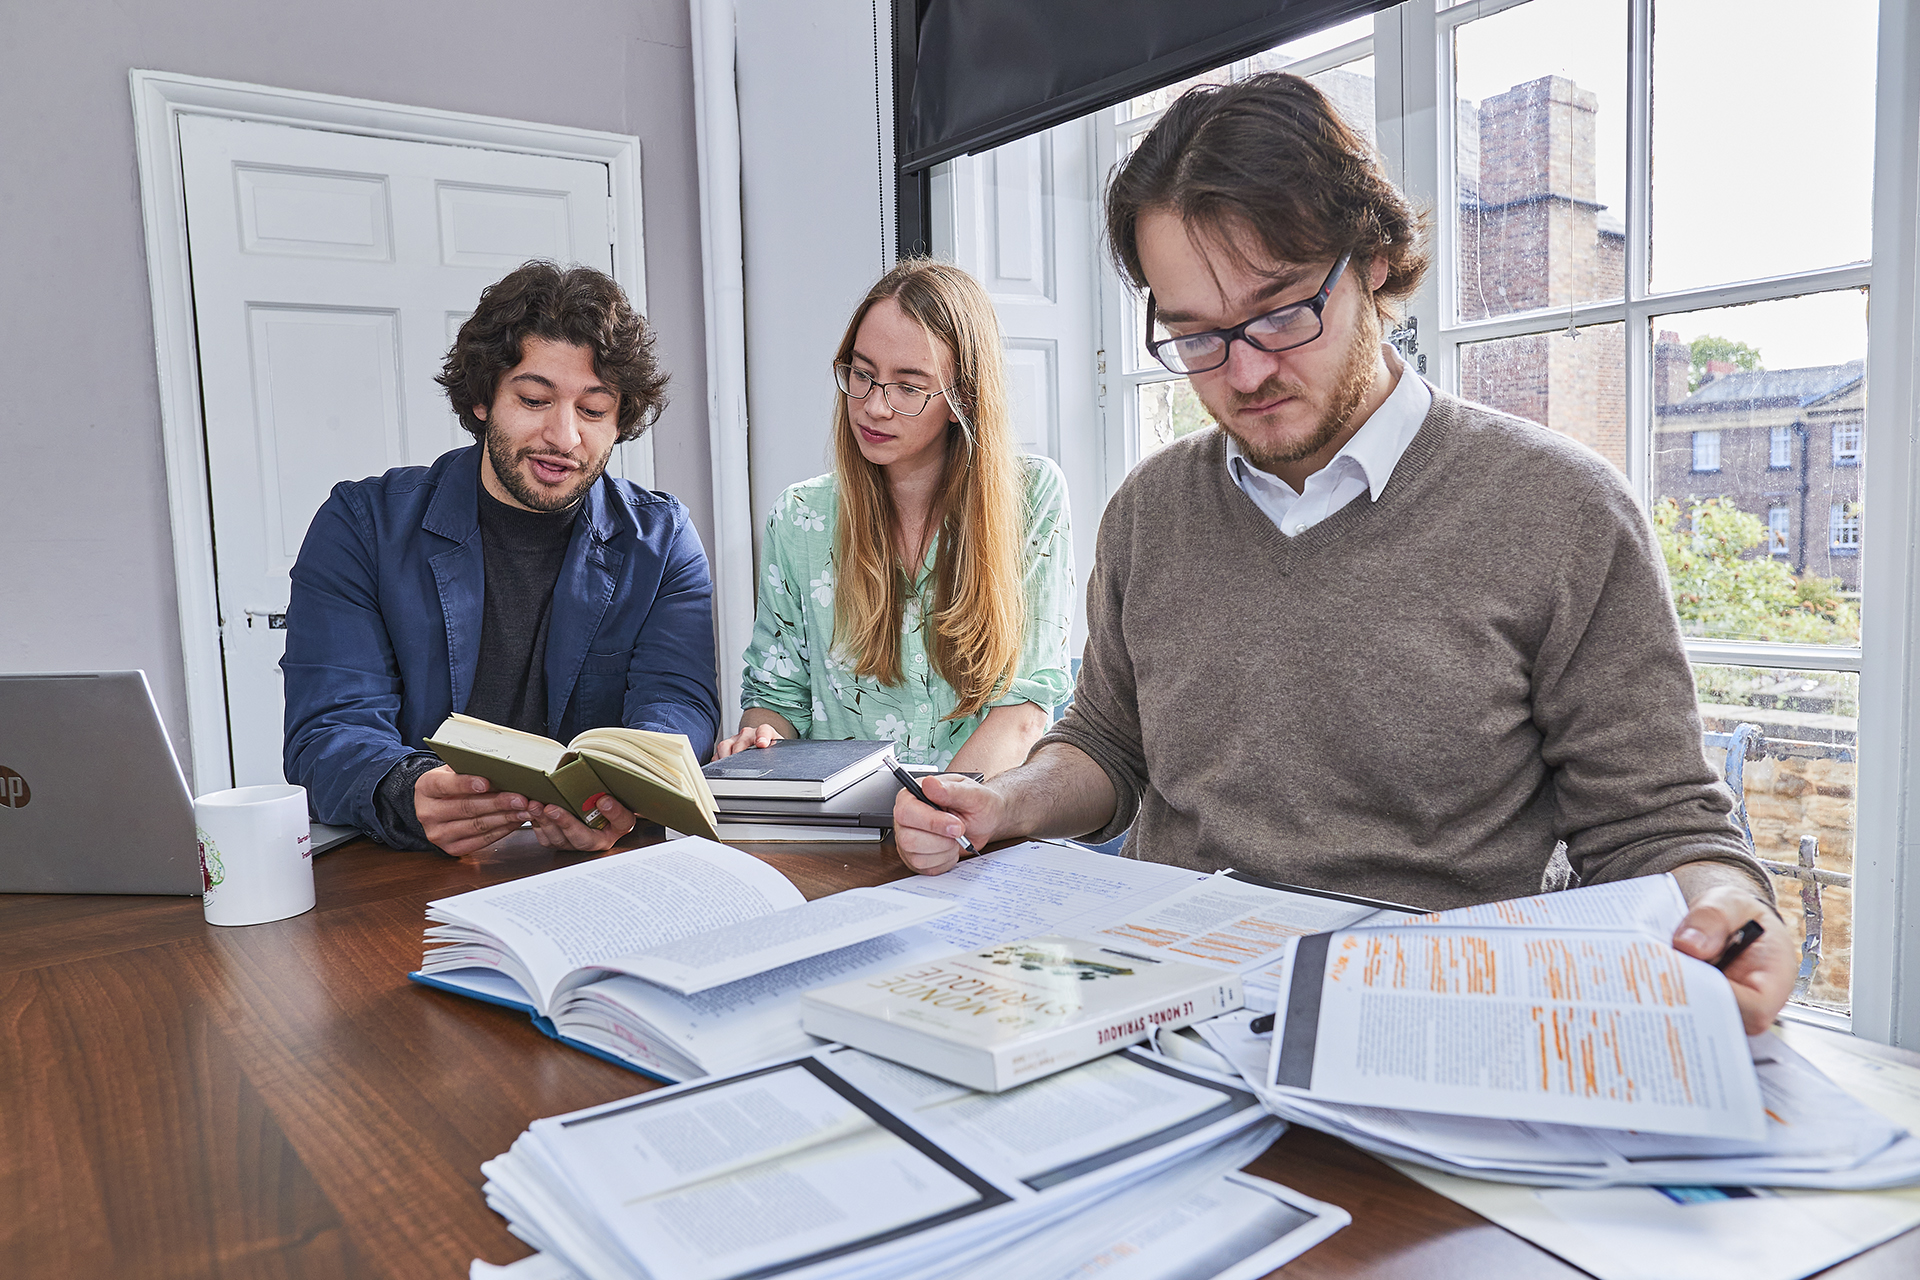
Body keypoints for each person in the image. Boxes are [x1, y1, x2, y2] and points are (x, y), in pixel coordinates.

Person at [893, 74, 1795, 1033]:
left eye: (1281, 312)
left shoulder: (1560, 510)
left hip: (1431, 1026)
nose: (1243, 373)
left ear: (1370, 260)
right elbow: (1113, 746)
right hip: (1162, 1009)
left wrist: (1728, 912)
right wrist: (1004, 804)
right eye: (1196, 337)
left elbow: (1657, 824)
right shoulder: (1149, 512)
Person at [283, 261, 721, 856]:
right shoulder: (362, 527)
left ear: (621, 421)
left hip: (594, 869)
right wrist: (406, 789)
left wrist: (624, 791)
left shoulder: (662, 539)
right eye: (536, 399)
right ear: (484, 396)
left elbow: (679, 703)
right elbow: (328, 727)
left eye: (593, 411)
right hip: (409, 871)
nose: (563, 437)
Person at [712, 260, 1073, 776]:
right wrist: (765, 736)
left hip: (983, 826)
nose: (873, 407)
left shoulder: (1031, 497)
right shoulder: (799, 517)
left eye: (908, 386)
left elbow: (1024, 710)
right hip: (840, 837)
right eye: (862, 374)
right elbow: (777, 694)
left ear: (961, 400)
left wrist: (937, 815)